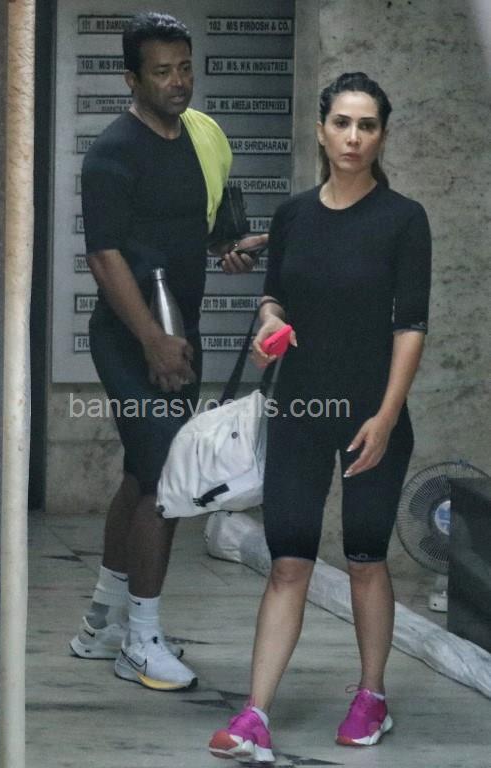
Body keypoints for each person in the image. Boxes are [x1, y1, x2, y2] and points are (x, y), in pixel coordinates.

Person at [209, 72, 431, 761]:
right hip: (300, 408)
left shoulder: (404, 220)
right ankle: (255, 714)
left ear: (382, 136)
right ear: (321, 129)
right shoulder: (294, 215)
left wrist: (387, 417)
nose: (353, 137)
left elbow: (410, 326)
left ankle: (372, 696)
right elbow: (274, 295)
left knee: (365, 559)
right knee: (288, 563)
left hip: (371, 415)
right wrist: (268, 324)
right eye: (341, 122)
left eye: (367, 125)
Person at [70, 12, 264, 691]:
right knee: (165, 481)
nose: (178, 82)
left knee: (141, 473)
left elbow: (209, 228)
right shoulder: (111, 155)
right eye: (161, 72)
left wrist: (231, 250)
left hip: (180, 333)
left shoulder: (204, 135)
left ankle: (103, 622)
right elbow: (104, 257)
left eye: (184, 68)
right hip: (130, 339)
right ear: (132, 78)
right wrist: (151, 342)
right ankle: (141, 640)